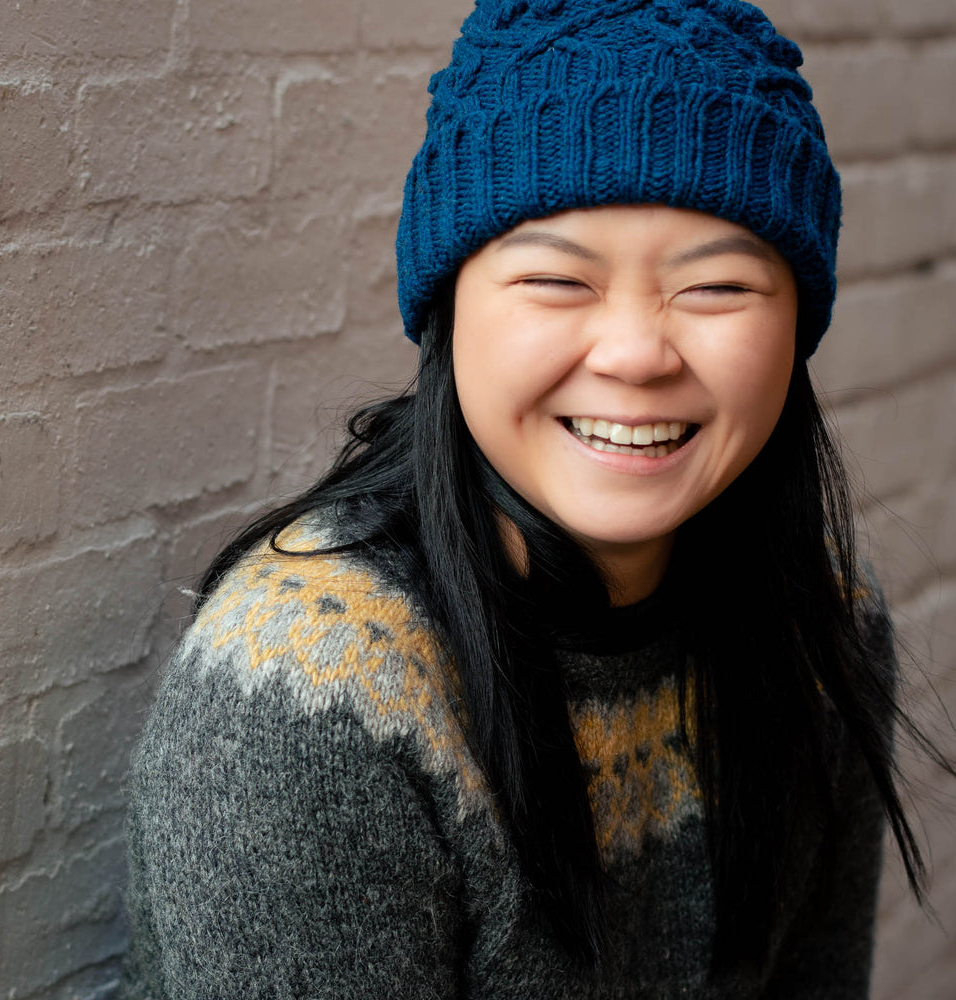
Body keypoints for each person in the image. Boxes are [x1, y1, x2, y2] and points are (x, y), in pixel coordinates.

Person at [121, 1, 931, 997]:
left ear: (797, 325)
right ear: (447, 312)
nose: (636, 354)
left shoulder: (818, 618)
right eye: (556, 280)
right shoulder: (311, 704)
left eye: (715, 287)